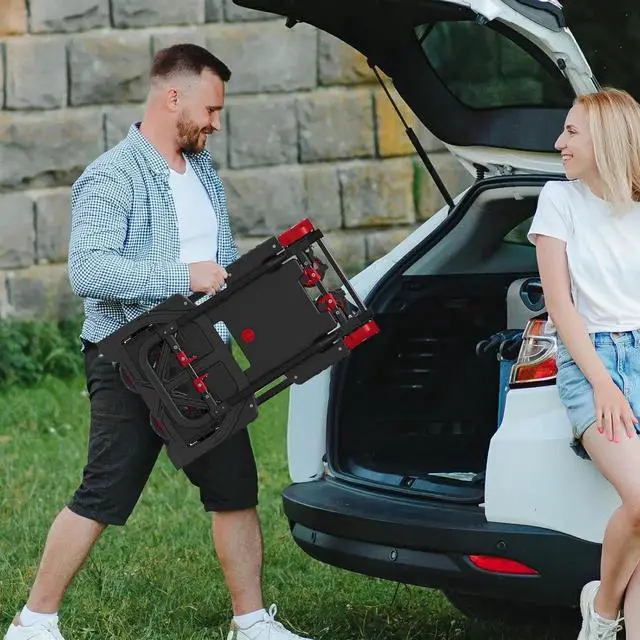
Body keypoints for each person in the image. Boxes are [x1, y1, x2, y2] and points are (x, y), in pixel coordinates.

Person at [4, 43, 312, 640]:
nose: (216, 123)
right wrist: (181, 275)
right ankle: (34, 622)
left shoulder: (204, 173)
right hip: (129, 355)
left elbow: (221, 264)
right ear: (174, 97)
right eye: (211, 109)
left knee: (234, 487)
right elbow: (88, 270)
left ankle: (251, 623)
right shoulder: (111, 176)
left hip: (198, 354)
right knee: (105, 489)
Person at [528, 87, 640, 640]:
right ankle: (601, 611)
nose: (559, 143)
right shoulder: (559, 199)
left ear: (608, 140)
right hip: (592, 360)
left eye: (571, 132)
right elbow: (559, 306)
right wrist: (603, 382)